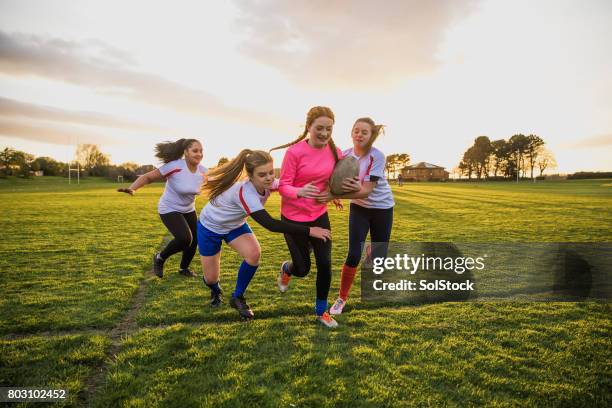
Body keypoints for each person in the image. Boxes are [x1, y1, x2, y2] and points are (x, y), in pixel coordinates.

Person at [198, 150, 331, 320]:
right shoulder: (245, 192)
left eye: (270, 172)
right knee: (210, 279)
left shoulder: (269, 184)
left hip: (234, 226)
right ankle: (215, 291)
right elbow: (271, 224)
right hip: (210, 227)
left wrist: (307, 191)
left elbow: (287, 187)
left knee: (254, 254)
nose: (268, 178)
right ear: (251, 176)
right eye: (262, 175)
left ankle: (237, 297)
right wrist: (310, 231)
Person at [270, 106, 359, 328]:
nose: (324, 133)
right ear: (309, 127)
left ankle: (322, 312)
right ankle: (287, 269)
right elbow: (284, 187)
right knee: (303, 268)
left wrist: (335, 194)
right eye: (319, 128)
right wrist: (298, 192)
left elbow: (336, 179)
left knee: (325, 263)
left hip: (319, 214)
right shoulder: (294, 152)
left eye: (329, 129)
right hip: (292, 218)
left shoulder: (334, 151)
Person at [315, 117, 394, 315]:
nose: (359, 135)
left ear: (371, 136)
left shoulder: (377, 156)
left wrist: (334, 195)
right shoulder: (344, 155)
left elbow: (366, 190)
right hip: (359, 208)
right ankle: (341, 299)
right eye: (356, 131)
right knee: (353, 255)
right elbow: (333, 178)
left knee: (379, 257)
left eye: (364, 132)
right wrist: (335, 193)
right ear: (351, 133)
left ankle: (372, 252)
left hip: (382, 208)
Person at [118, 138, 207, 278]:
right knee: (185, 238)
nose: (199, 154)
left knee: (194, 240)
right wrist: (133, 189)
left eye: (201, 151)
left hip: (188, 209)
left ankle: (184, 269)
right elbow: (148, 177)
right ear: (186, 152)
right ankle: (160, 257)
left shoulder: (203, 172)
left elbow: (219, 184)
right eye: (195, 151)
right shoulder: (174, 166)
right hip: (169, 208)